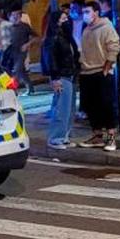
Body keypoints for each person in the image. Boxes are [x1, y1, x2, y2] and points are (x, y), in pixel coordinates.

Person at [77, 0, 120, 150]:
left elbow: (114, 47)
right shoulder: (87, 28)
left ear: (96, 12)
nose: (85, 15)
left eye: (87, 12)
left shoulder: (106, 27)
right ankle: (97, 136)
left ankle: (110, 138)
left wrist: (107, 67)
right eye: (83, 12)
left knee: (106, 106)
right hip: (86, 71)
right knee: (91, 107)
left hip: (100, 71)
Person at [42, 8, 79, 149]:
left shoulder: (67, 37)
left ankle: (64, 136)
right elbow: (51, 59)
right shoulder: (53, 38)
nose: (66, 21)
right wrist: (55, 78)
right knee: (61, 108)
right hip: (61, 75)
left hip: (70, 74)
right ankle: (56, 137)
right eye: (63, 19)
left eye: (66, 19)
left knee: (69, 109)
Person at [6, 9, 35, 94]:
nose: (15, 17)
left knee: (17, 70)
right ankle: (30, 87)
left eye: (17, 15)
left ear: (20, 16)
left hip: (21, 52)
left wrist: (27, 44)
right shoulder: (8, 26)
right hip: (11, 52)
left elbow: (36, 37)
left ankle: (13, 90)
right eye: (13, 15)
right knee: (21, 71)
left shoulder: (25, 26)